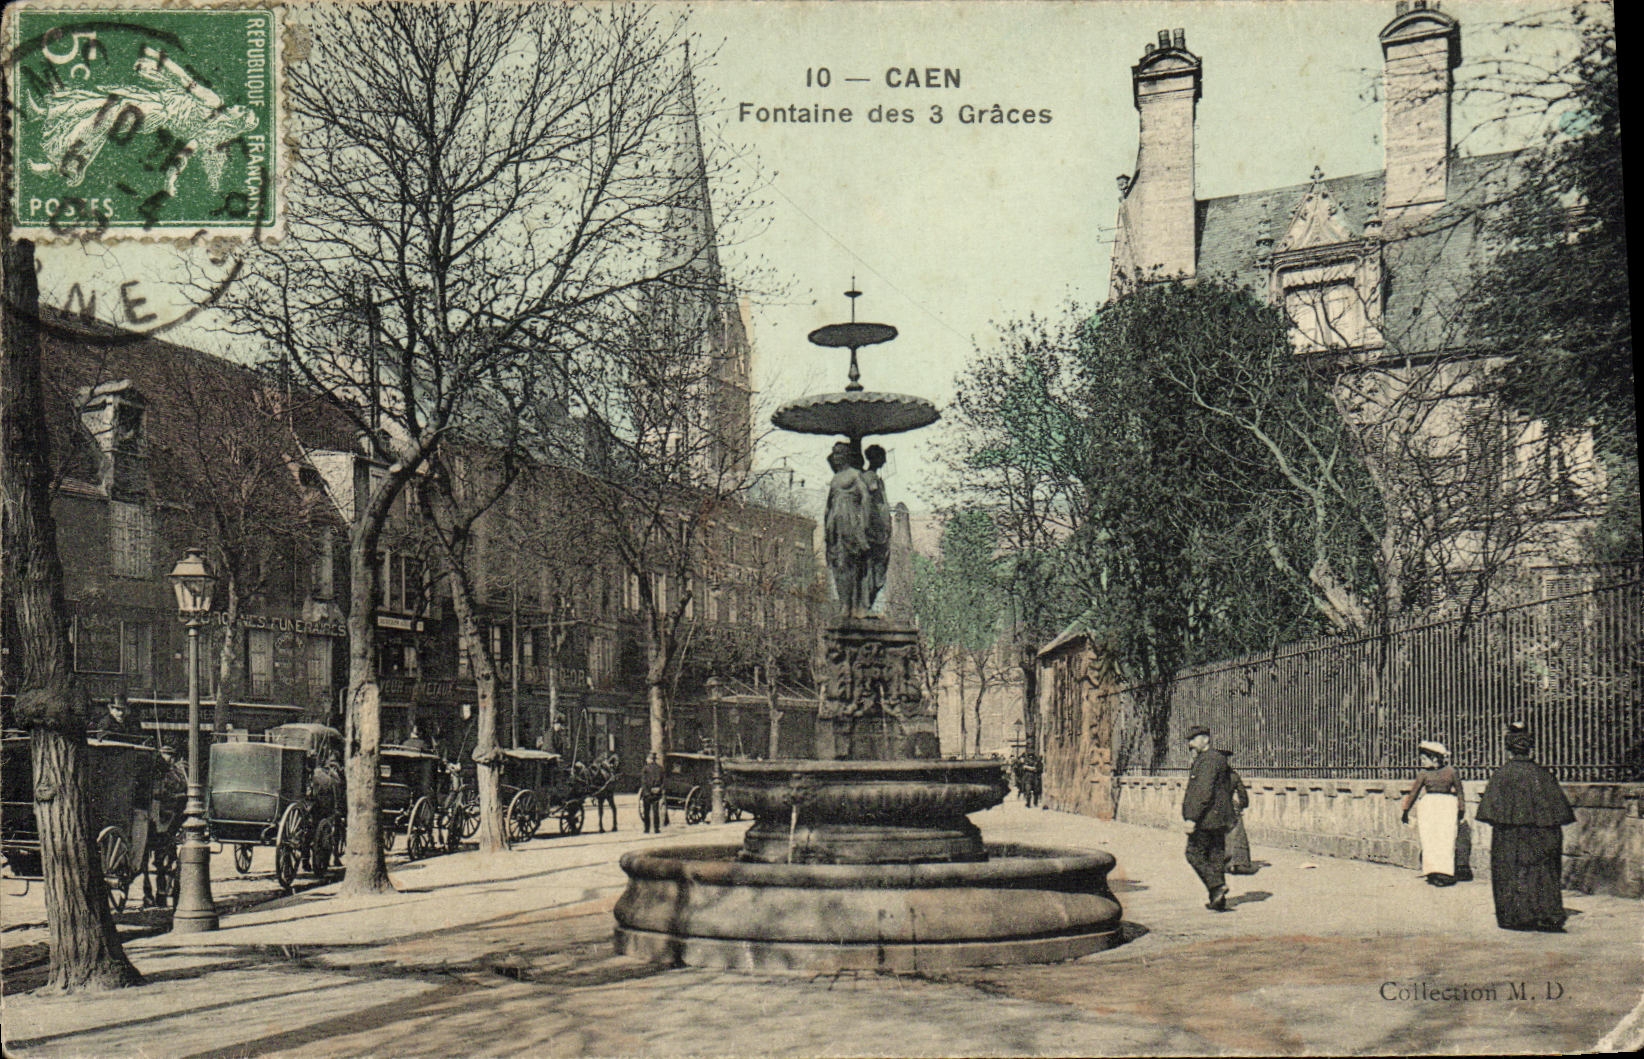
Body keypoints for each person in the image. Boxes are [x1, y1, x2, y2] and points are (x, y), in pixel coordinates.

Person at [1476, 722, 1575, 932]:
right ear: (1530, 747)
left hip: (1510, 835)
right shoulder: (1543, 775)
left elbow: (1490, 812)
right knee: (1542, 872)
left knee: (1511, 871)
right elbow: (1559, 811)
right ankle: (1545, 914)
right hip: (1542, 833)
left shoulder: (1502, 775)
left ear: (1509, 748)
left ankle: (1516, 916)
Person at [1181, 725, 1238, 911]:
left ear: (1206, 739)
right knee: (1215, 856)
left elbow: (1203, 792)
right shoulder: (1216, 759)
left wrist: (1192, 818)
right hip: (1218, 817)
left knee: (1193, 853)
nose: (1190, 744)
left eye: (1194, 739)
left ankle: (1216, 886)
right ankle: (1217, 899)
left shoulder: (1209, 760)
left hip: (1206, 818)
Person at [1399, 739, 1465, 886]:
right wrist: (1405, 810)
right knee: (1430, 840)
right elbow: (1414, 793)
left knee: (1446, 840)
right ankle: (1433, 872)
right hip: (1429, 808)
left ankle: (1445, 873)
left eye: (1424, 759)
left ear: (1435, 758)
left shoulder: (1451, 771)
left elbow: (1460, 792)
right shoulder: (1423, 773)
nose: (1421, 762)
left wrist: (1461, 810)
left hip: (1446, 807)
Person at [824, 441, 873, 616]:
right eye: (834, 454)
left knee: (852, 564)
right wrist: (827, 525)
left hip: (850, 525)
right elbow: (829, 504)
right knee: (839, 564)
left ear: (846, 455)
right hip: (835, 527)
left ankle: (853, 604)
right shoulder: (835, 479)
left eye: (839, 454)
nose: (836, 458)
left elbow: (865, 497)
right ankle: (844, 602)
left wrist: (863, 523)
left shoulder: (854, 475)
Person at [860, 444, 892, 610]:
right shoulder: (869, 478)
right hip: (873, 532)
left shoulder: (877, 480)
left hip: (881, 533)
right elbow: (868, 504)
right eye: (882, 457)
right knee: (872, 570)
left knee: (878, 570)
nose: (885, 461)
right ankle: (865, 605)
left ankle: (867, 604)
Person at [1225, 759, 1257, 875]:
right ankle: (1237, 862)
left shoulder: (1213, 775)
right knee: (1237, 834)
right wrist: (1242, 805)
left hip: (1217, 808)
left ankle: (1224, 862)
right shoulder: (1234, 776)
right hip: (1232, 807)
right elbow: (1242, 793)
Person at [639, 752, 665, 834]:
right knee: (655, 811)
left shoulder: (645, 769)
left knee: (646, 811)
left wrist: (646, 792)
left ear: (649, 759)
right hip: (657, 792)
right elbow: (663, 782)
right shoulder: (660, 768)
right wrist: (659, 790)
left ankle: (647, 829)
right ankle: (656, 829)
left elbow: (643, 782)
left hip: (647, 793)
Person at [593, 753, 620, 833]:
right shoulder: (609, 772)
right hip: (607, 791)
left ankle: (601, 825)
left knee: (600, 807)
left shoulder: (601, 766)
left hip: (600, 789)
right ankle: (614, 824)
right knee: (613, 807)